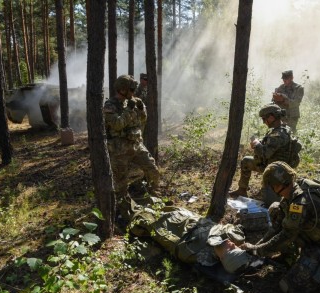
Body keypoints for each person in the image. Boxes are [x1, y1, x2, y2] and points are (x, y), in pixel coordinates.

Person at [241, 161, 320, 293]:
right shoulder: (293, 189)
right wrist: (257, 246)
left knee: (287, 287)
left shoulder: (299, 203)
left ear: (277, 185)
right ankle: (288, 256)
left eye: (271, 186)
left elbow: (285, 236)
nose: (271, 190)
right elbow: (277, 227)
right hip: (309, 235)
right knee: (276, 209)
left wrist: (257, 251)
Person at [129, 204, 256, 275]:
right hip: (188, 216)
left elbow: (165, 236)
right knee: (160, 204)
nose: (233, 245)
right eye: (236, 247)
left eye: (231, 250)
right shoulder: (234, 237)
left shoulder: (195, 254)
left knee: (141, 214)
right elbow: (230, 228)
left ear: (222, 259)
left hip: (174, 226)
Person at [103, 74, 160, 221]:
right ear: (122, 90)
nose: (134, 92)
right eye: (131, 89)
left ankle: (153, 198)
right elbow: (116, 124)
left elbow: (143, 121)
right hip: (119, 150)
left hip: (136, 145)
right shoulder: (110, 105)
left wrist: (141, 109)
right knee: (121, 184)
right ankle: (123, 213)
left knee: (153, 170)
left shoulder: (133, 102)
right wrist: (128, 110)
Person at [229, 104, 300, 206]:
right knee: (246, 161)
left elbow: (265, 154)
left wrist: (257, 145)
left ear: (272, 117)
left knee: (268, 204)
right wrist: (259, 143)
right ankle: (242, 190)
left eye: (264, 118)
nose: (264, 122)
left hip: (276, 173)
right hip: (269, 165)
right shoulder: (279, 130)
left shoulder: (279, 134)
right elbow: (268, 146)